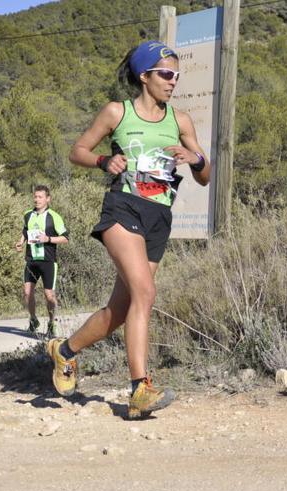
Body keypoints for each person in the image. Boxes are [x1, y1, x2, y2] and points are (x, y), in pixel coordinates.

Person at [46, 41, 211, 419]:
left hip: (158, 216)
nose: (173, 82)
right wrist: (105, 160)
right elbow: (79, 151)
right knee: (146, 293)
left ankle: (65, 351)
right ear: (145, 76)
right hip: (122, 207)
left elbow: (205, 177)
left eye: (177, 76)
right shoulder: (117, 112)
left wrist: (196, 158)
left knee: (121, 310)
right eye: (166, 74)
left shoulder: (180, 120)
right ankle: (140, 389)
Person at [15, 185, 69, 337]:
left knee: (49, 295)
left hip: (48, 261)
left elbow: (65, 237)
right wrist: (20, 242)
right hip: (31, 260)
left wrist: (48, 239)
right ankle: (33, 320)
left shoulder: (54, 216)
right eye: (35, 197)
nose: (37, 200)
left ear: (47, 199)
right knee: (27, 292)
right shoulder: (27, 215)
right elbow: (25, 230)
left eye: (40, 197)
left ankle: (52, 323)